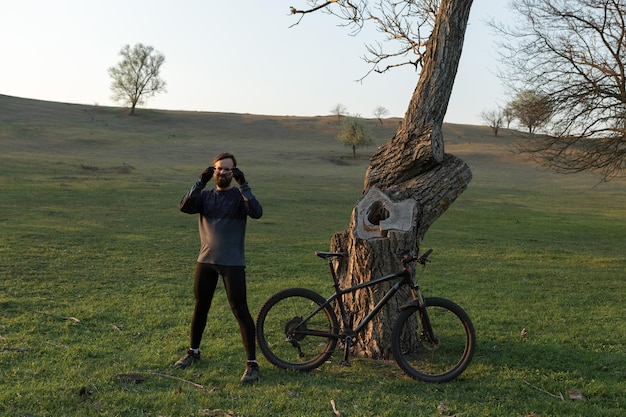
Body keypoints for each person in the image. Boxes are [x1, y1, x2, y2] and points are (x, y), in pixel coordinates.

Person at [175, 152, 263, 383]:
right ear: (213, 171)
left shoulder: (238, 197)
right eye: (218, 169)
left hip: (232, 263)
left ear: (234, 173)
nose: (222, 172)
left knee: (240, 311)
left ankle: (252, 364)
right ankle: (193, 352)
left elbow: (257, 212)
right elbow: (184, 206)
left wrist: (244, 185)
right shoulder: (204, 196)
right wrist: (200, 182)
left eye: (227, 169)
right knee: (200, 307)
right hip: (205, 262)